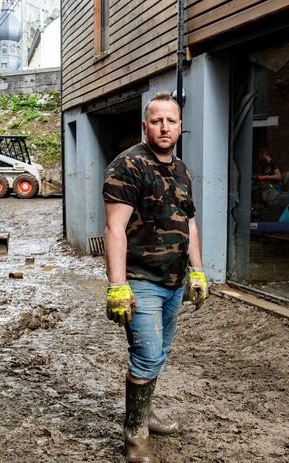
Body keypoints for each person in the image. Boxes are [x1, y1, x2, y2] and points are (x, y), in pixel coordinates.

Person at [103, 91, 208, 463]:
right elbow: (114, 228)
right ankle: (134, 436)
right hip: (140, 280)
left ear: (180, 126)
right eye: (157, 121)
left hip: (174, 281)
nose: (165, 127)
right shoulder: (127, 166)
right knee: (146, 355)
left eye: (171, 121)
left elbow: (190, 223)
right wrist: (117, 286)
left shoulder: (180, 170)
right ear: (145, 125)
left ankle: (144, 415)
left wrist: (197, 270)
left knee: (159, 353)